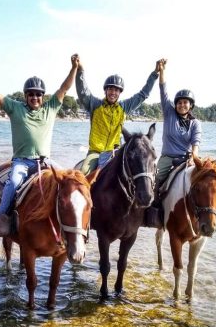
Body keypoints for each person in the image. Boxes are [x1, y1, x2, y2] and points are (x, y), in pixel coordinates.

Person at [0, 54, 80, 237]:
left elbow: (64, 87)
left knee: (71, 181)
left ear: (43, 96)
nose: (34, 97)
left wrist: (74, 68)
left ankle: (76, 225)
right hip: (23, 162)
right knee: (13, 182)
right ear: (25, 96)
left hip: (46, 161)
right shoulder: (15, 108)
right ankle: (2, 217)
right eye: (31, 94)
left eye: (38, 94)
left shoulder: (51, 108)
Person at [75, 54, 161, 175]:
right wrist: (80, 71)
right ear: (105, 90)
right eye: (110, 89)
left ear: (120, 93)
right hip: (95, 152)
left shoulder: (124, 107)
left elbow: (143, 95)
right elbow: (83, 92)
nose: (113, 92)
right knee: (83, 172)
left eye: (116, 90)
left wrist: (155, 74)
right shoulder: (95, 105)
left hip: (115, 152)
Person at [144, 59, 202, 228]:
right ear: (175, 105)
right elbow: (164, 91)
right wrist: (162, 71)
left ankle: (200, 213)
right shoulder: (169, 114)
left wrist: (194, 156)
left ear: (190, 105)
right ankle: (153, 212)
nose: (182, 105)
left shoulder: (195, 123)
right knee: (155, 181)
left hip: (187, 158)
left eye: (186, 102)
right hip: (168, 158)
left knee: (203, 181)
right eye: (180, 102)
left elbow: (195, 142)